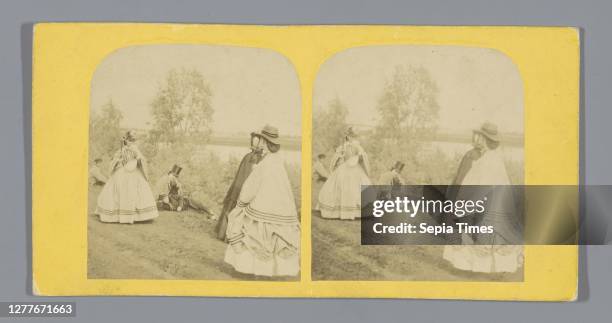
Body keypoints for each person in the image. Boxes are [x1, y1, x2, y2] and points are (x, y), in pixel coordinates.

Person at [442, 122, 523, 273]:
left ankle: (476, 268)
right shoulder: (492, 158)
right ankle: (486, 268)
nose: (479, 140)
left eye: (482, 137)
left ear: (485, 139)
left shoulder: (488, 161)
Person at [224, 125, 300, 277]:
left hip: (262, 207)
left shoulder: (265, 164)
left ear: (264, 142)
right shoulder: (278, 161)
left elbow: (250, 187)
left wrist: (241, 203)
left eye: (261, 140)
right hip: (281, 209)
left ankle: (253, 270)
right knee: (277, 237)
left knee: (252, 232)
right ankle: (274, 272)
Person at [95, 130, 159, 224]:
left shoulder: (134, 149)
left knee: (134, 190)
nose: (130, 142)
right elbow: (115, 158)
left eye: (132, 140)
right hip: (122, 170)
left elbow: (141, 158)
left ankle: (137, 215)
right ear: (126, 140)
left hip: (133, 172)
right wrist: (120, 160)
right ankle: (120, 215)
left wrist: (136, 160)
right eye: (129, 140)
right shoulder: (122, 149)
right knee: (118, 189)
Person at [215, 131, 264, 240]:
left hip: (238, 188)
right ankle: (233, 236)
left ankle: (224, 234)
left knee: (233, 209)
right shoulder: (256, 159)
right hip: (245, 189)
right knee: (240, 211)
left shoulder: (248, 156)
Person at [317, 127, 372, 220]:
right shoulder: (355, 146)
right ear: (349, 136)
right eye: (352, 136)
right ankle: (351, 212)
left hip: (347, 168)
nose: (352, 138)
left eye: (353, 136)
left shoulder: (344, 147)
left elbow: (335, 159)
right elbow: (363, 159)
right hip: (351, 168)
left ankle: (346, 212)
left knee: (345, 187)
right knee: (351, 187)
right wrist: (358, 159)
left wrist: (335, 165)